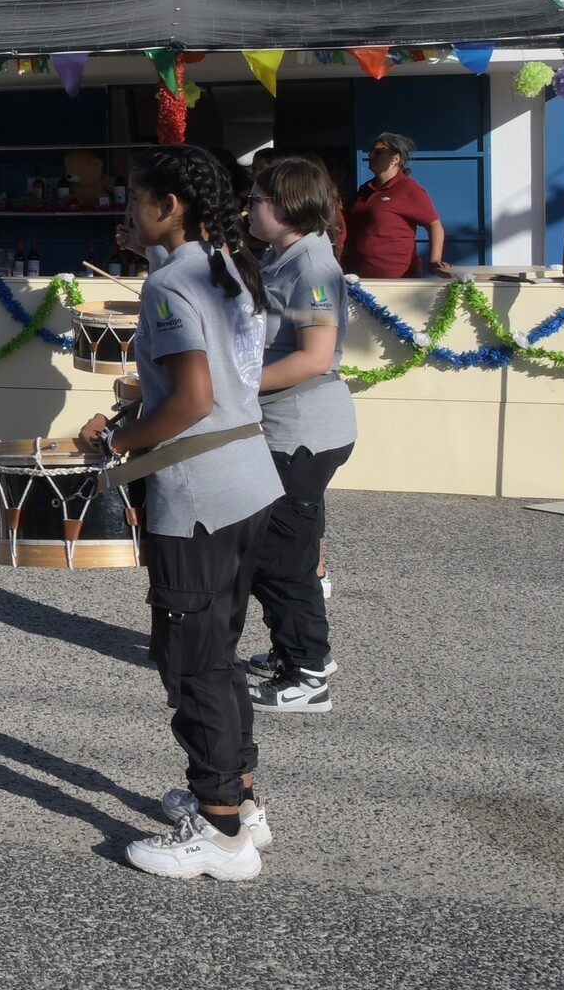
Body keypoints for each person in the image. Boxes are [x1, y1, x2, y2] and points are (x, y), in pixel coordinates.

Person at [76, 144, 283, 882]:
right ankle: (240, 800)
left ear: (169, 207)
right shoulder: (224, 265)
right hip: (248, 480)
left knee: (191, 662)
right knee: (218, 654)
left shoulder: (166, 287)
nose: (126, 212)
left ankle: (219, 832)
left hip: (196, 494)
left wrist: (119, 438)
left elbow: (194, 398)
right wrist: (142, 401)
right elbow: (224, 384)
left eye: (135, 200)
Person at [241, 156, 354, 716]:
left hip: (303, 431)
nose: (249, 208)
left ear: (286, 206)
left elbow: (313, 358)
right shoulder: (279, 256)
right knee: (285, 549)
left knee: (280, 556)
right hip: (285, 427)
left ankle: (308, 673)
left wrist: (234, 386)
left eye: (258, 199)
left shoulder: (313, 266)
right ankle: (300, 655)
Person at [342, 133, 446, 278]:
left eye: (379, 152)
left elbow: (434, 224)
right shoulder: (365, 189)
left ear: (396, 158)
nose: (372, 155)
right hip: (360, 278)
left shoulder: (408, 188)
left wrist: (434, 260)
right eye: (371, 151)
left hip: (398, 279)